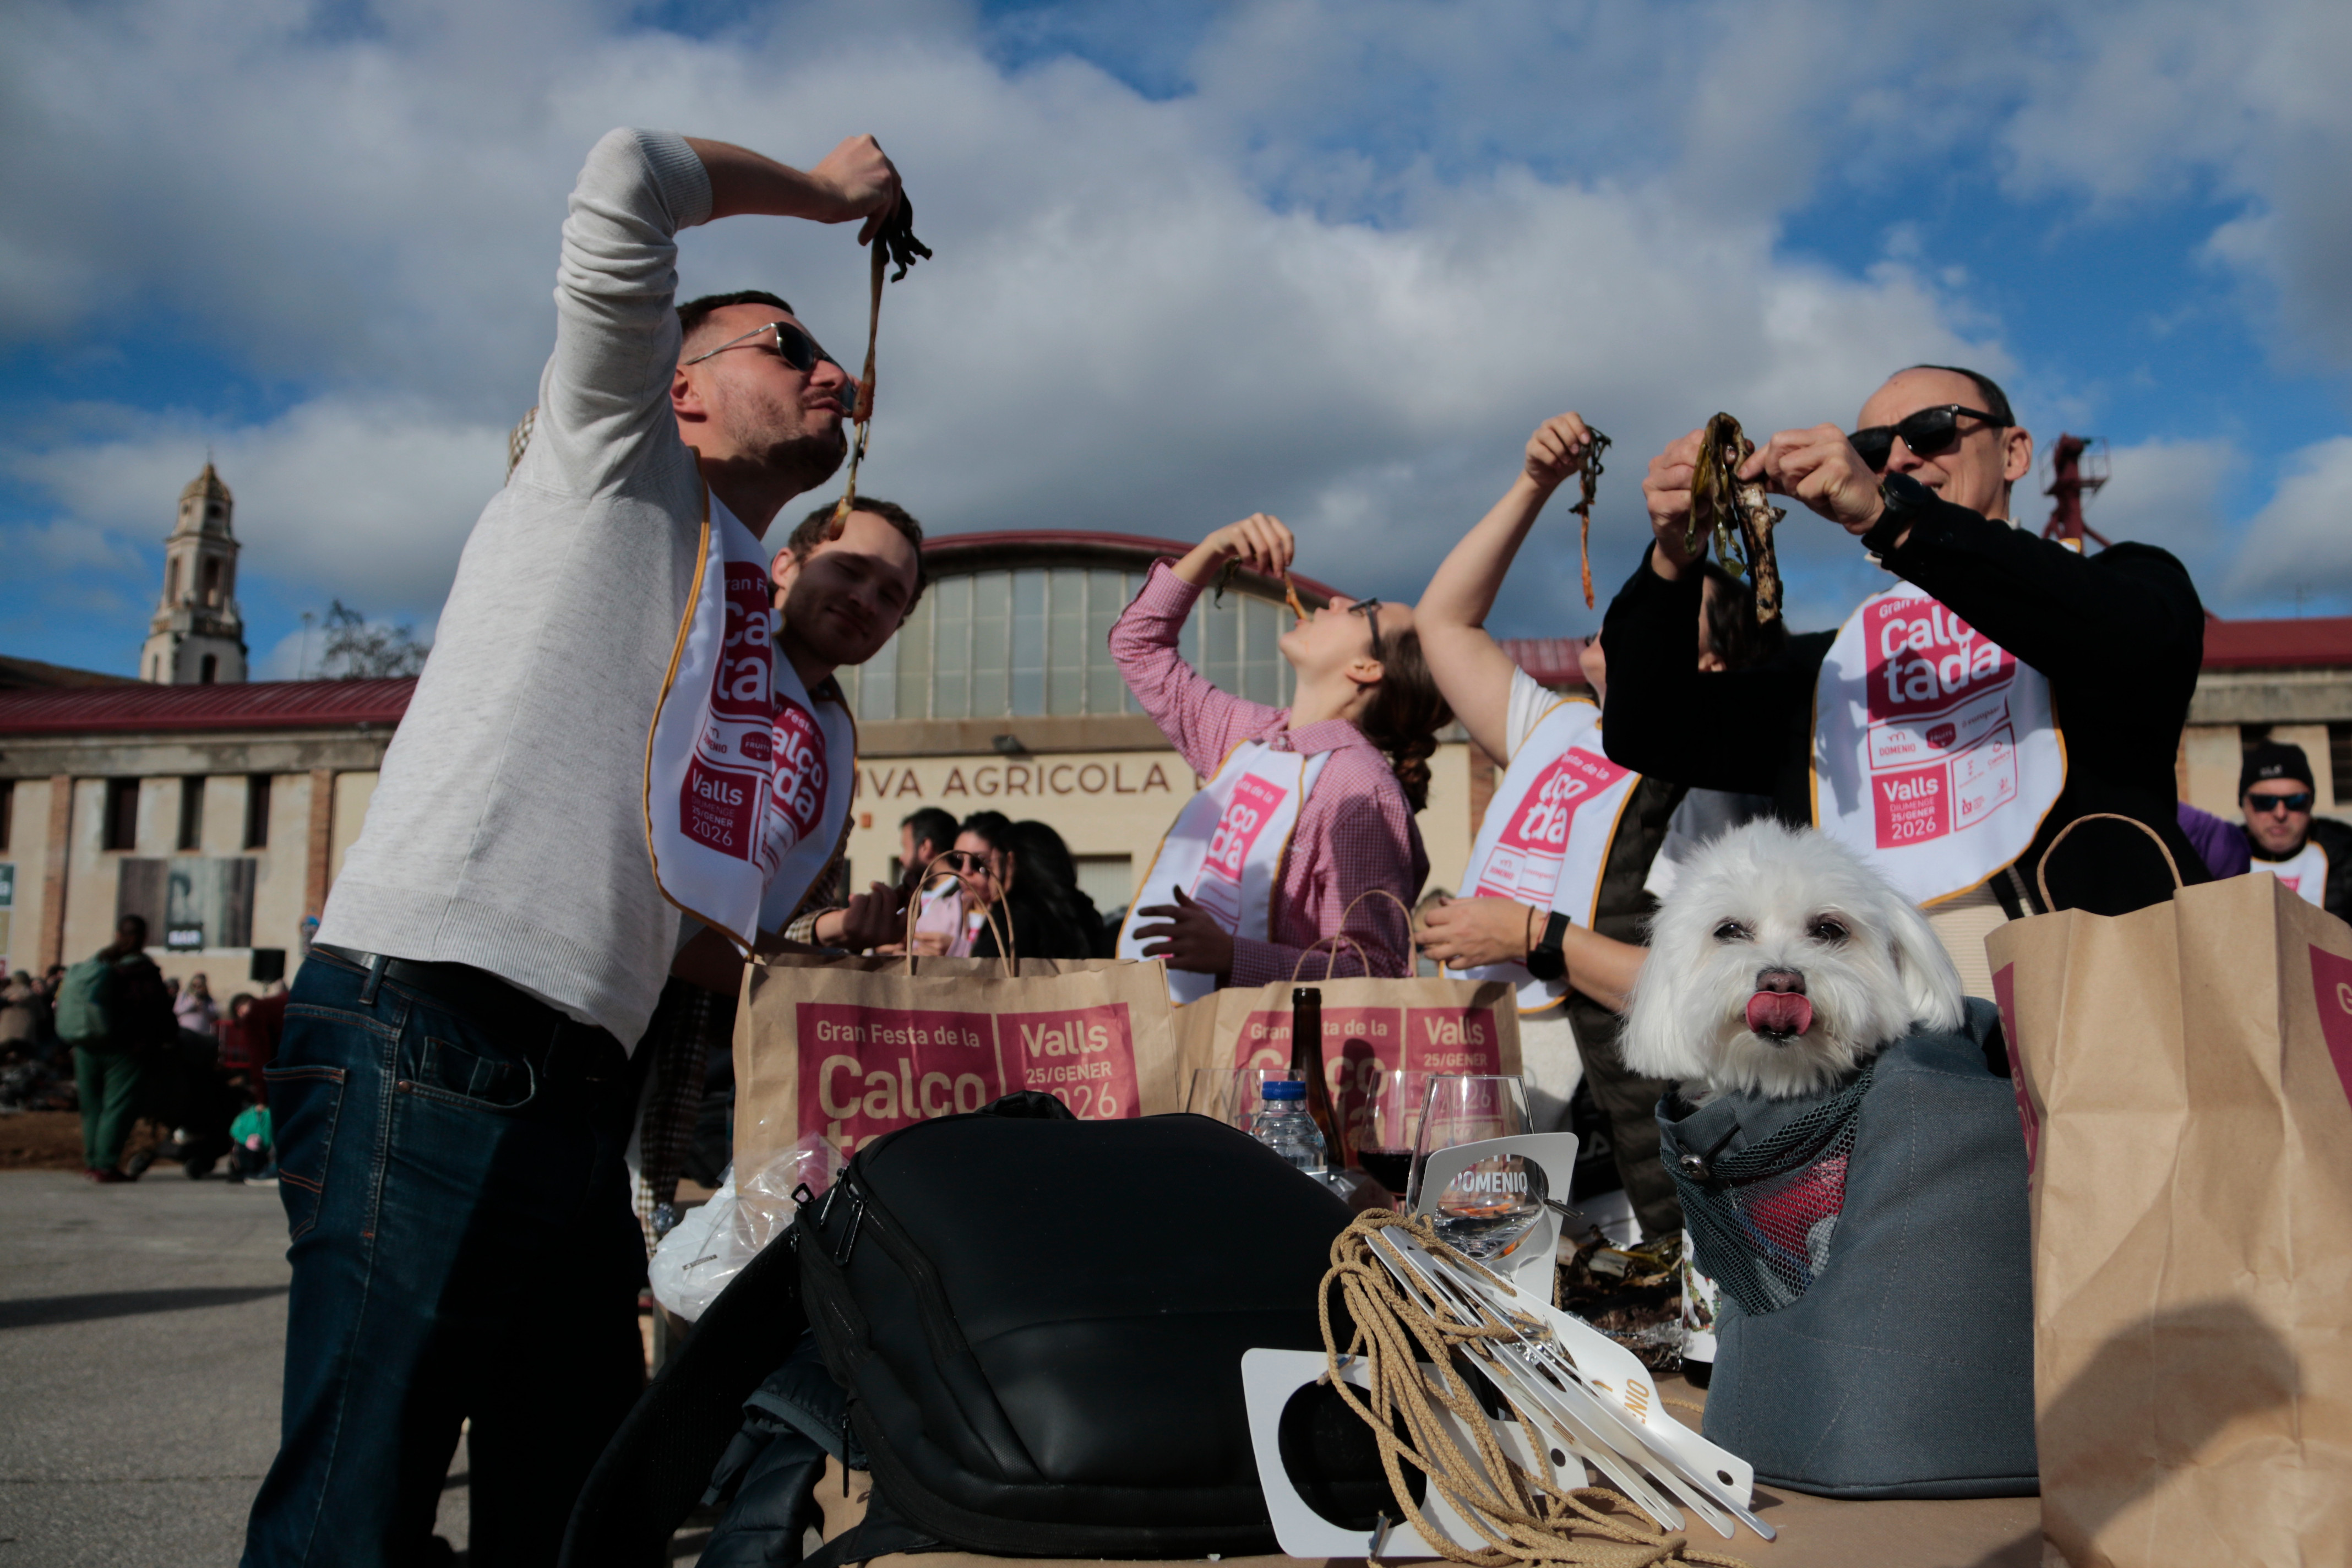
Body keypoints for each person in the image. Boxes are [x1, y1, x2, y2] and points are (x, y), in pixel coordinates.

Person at [248, 125, 916, 1568]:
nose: (826, 370)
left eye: (831, 361)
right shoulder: (612, 462)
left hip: (577, 1078)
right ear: (676, 392)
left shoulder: (741, 611)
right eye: (781, 344)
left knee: (576, 1520)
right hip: (435, 1011)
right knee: (353, 1512)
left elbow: (687, 924)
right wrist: (826, 198)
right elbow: (629, 174)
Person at [1603, 365, 2209, 995]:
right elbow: (1648, 726)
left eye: (1931, 429)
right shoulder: (1833, 673)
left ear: (2016, 452)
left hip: (2099, 1019)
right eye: (1871, 449)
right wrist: (1675, 555)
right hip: (1884, 1058)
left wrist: (1896, 518)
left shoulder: (2124, 583)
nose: (1899, 457)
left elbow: (2136, 643)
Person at [1411, 413, 1784, 1235]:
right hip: (1493, 1079)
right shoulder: (1557, 728)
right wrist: (1535, 487)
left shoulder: (1716, 788)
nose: (1630, 622)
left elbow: (1702, 994)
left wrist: (1529, 933)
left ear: (1712, 666)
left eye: (1666, 616)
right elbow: (1443, 623)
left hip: (1614, 1149)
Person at [1112, 515, 1451, 994]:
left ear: (1367, 667)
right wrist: (1214, 547)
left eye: (1364, 610)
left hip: (1278, 1058)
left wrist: (1233, 956)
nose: (1336, 601)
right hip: (1186, 1037)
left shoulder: (1361, 789)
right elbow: (1137, 648)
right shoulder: (1252, 736)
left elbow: (1377, 971)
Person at [59, 915, 175, 1184]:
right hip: (125, 1050)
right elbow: (158, 1012)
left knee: (91, 1108)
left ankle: (92, 1163)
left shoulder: (99, 964)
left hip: (86, 1045)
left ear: (117, 933)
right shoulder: (143, 972)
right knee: (117, 1107)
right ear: (144, 937)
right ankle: (106, 1165)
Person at [2178, 742, 2352, 918]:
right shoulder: (2221, 856)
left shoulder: (2345, 853)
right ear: (2243, 804)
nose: (2280, 814)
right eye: (2264, 802)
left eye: (2295, 801)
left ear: (2311, 802)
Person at [943, 811, 1101, 961]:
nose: (965, 872)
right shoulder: (1085, 911)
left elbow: (985, 976)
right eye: (956, 861)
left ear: (1010, 862)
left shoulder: (1011, 917)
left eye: (988, 863)